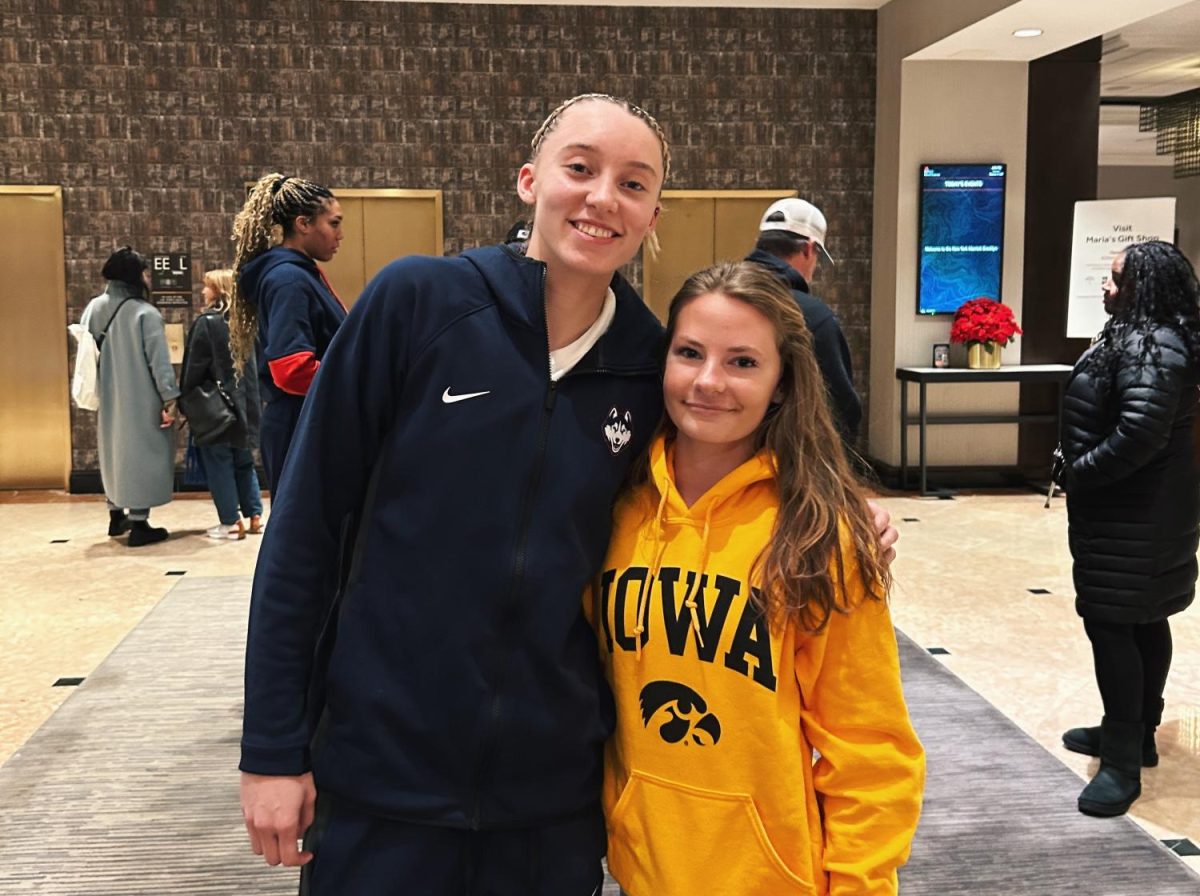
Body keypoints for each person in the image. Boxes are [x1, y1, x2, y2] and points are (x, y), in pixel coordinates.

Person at [238, 94, 897, 893]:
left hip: (551, 806)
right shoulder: (417, 305)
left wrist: (831, 504)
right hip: (383, 781)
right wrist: (273, 748)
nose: (602, 198)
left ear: (653, 214)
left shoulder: (649, 364)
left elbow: (720, 457)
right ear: (529, 180)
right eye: (580, 169)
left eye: (633, 183)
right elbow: (304, 531)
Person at [594, 261, 923, 896]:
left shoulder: (818, 536)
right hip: (639, 869)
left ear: (781, 383)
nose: (708, 381)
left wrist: (862, 885)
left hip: (771, 876)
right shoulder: (615, 508)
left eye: (743, 362)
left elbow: (871, 751)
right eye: (690, 353)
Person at [1059, 240, 1200, 818]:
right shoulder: (1153, 340)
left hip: (1133, 515)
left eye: (1115, 279)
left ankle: (1121, 760)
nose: (1106, 286)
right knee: (1141, 620)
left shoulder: (1153, 347)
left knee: (1115, 625)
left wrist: (1081, 474)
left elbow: (1139, 433)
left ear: (1145, 288)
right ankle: (1136, 733)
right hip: (1145, 514)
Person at [228, 174, 346, 498]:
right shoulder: (288, 279)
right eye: (333, 223)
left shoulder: (296, 274)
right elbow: (291, 369)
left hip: (306, 420)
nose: (340, 235)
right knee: (304, 539)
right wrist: (357, 380)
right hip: (301, 424)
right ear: (303, 223)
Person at [747, 197, 862, 449]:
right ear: (809, 249)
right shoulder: (812, 316)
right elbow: (840, 410)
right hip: (786, 464)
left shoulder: (712, 300)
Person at [83, 247, 179, 547]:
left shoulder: (94, 308)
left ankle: (115, 515)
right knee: (144, 454)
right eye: (145, 271)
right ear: (134, 275)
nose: (148, 276)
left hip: (110, 396)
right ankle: (140, 523)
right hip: (142, 397)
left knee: (114, 451)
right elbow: (159, 363)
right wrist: (169, 398)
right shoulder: (145, 313)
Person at [179, 268, 264, 540]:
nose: (203, 292)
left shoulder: (207, 323)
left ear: (218, 291)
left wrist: (185, 398)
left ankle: (230, 522)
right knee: (243, 462)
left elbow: (194, 368)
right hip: (246, 407)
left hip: (217, 408)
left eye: (207, 287)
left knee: (219, 463)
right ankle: (254, 515)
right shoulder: (247, 322)